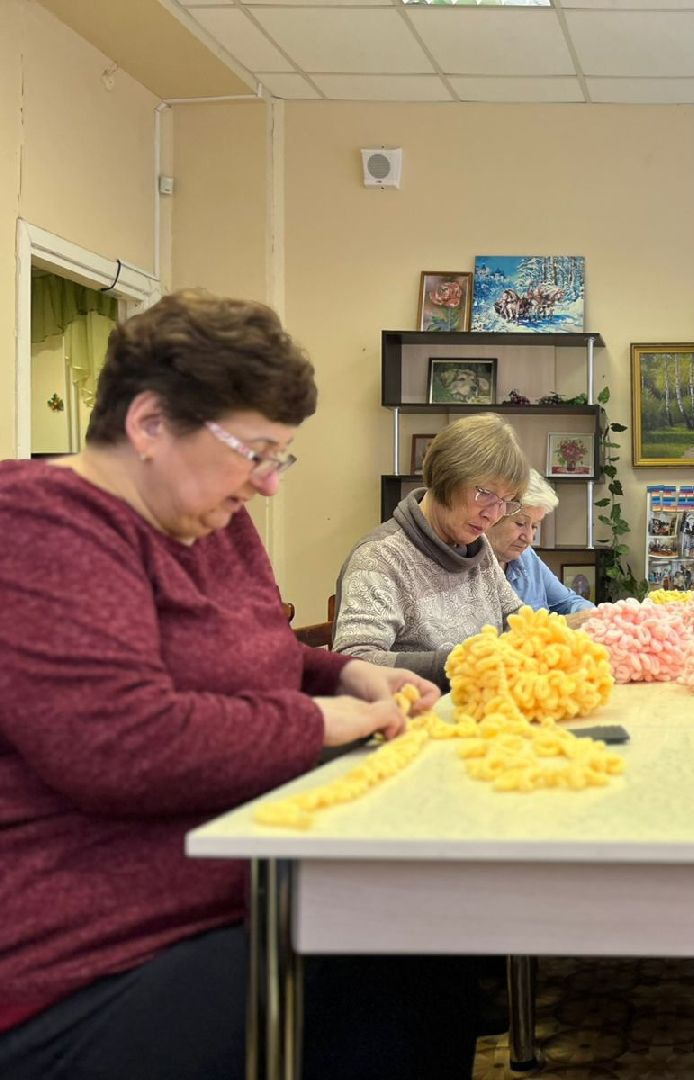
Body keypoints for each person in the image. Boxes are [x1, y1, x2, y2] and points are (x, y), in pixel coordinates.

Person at [0, 291, 488, 1080]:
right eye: (254, 452)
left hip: (244, 890)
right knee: (397, 984)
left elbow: (257, 654)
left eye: (278, 458)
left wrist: (348, 670)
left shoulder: (214, 520)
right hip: (93, 953)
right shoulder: (38, 525)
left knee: (429, 946)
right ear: (149, 423)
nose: (268, 485)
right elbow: (124, 745)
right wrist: (323, 720)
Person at [333, 414, 527, 689]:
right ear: (444, 476)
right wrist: (463, 665)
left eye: (506, 502)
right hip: (415, 721)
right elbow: (354, 664)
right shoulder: (380, 558)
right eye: (485, 493)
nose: (493, 515)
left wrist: (577, 629)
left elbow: (518, 623)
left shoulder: (477, 550)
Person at [485, 469, 596, 626]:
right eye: (520, 523)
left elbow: (567, 601)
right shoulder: (468, 567)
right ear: (493, 516)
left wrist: (592, 615)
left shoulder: (526, 556)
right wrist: (560, 626)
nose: (529, 538)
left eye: (535, 526)